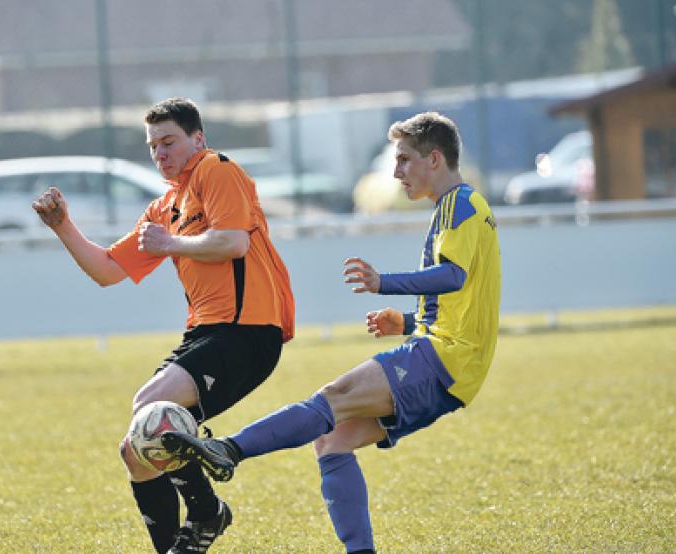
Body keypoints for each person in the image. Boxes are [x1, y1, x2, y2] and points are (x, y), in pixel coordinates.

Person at [162, 111, 501, 553]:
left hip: (444, 358)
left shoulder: (460, 204)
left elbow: (453, 276)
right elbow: (469, 298)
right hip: (452, 361)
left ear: (434, 159)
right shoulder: (463, 207)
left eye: (403, 160)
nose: (396, 172)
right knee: (333, 440)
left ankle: (230, 449)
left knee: (332, 397)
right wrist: (408, 322)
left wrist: (386, 283)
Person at [32, 97, 295, 554]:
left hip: (247, 330)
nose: (161, 153)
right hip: (206, 334)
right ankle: (176, 545)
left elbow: (233, 242)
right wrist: (63, 227)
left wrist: (172, 244)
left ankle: (208, 510)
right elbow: (108, 271)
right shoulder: (164, 207)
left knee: (148, 406)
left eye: (169, 141)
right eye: (153, 146)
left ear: (199, 138)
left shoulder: (217, 169)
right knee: (136, 450)